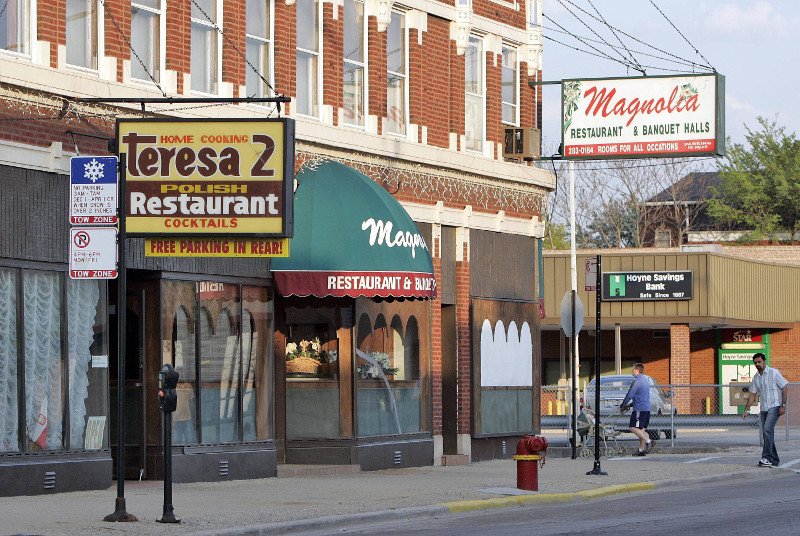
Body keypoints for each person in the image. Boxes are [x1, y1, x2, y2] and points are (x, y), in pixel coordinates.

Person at [742, 352, 788, 467]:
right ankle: (774, 460)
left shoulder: (774, 372)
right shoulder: (756, 377)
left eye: (759, 362)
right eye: (755, 363)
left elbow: (784, 387)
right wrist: (746, 409)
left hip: (775, 405)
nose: (757, 364)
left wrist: (783, 405)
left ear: (764, 361)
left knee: (767, 430)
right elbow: (752, 394)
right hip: (764, 408)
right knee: (767, 433)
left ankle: (766, 458)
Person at [620, 363, 654, 456]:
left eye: (633, 369)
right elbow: (640, 397)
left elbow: (630, 394)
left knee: (632, 427)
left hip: (639, 409)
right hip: (646, 409)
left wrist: (622, 405)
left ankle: (649, 441)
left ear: (637, 370)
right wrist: (630, 405)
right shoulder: (645, 381)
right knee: (641, 429)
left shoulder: (637, 381)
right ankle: (641, 450)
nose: (632, 371)